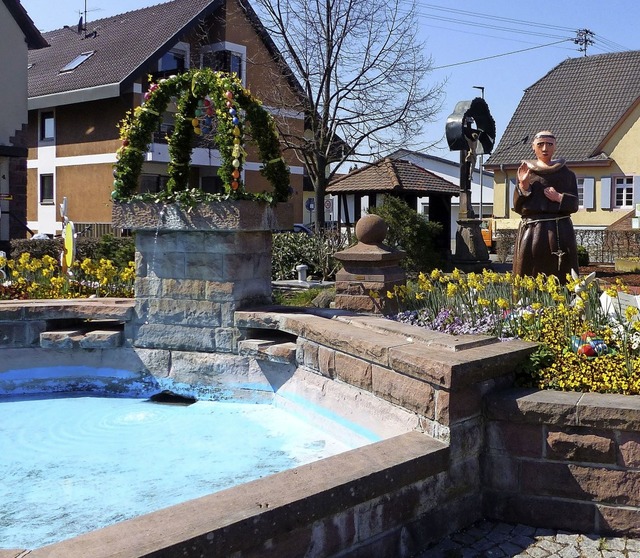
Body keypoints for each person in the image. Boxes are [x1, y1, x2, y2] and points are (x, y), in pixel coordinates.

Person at [512, 131, 579, 283]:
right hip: (533, 230)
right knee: (530, 270)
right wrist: (523, 186)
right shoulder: (526, 171)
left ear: (555, 147)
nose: (544, 148)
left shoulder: (567, 174)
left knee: (562, 272)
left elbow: (574, 204)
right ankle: (527, 304)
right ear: (533, 147)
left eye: (549, 144)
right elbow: (518, 207)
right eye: (540, 144)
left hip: (561, 230)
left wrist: (559, 198)